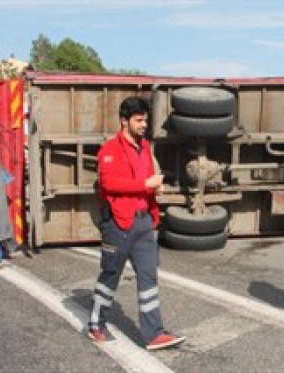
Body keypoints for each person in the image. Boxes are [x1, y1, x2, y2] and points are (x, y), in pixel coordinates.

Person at [88, 97, 185, 350]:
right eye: (139, 120)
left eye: (146, 120)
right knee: (110, 275)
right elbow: (110, 184)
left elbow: (147, 180)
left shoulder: (144, 148)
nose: (144, 125)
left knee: (149, 278)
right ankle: (96, 325)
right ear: (124, 121)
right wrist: (146, 185)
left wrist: (155, 188)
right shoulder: (109, 150)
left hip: (144, 224)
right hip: (119, 224)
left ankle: (153, 334)